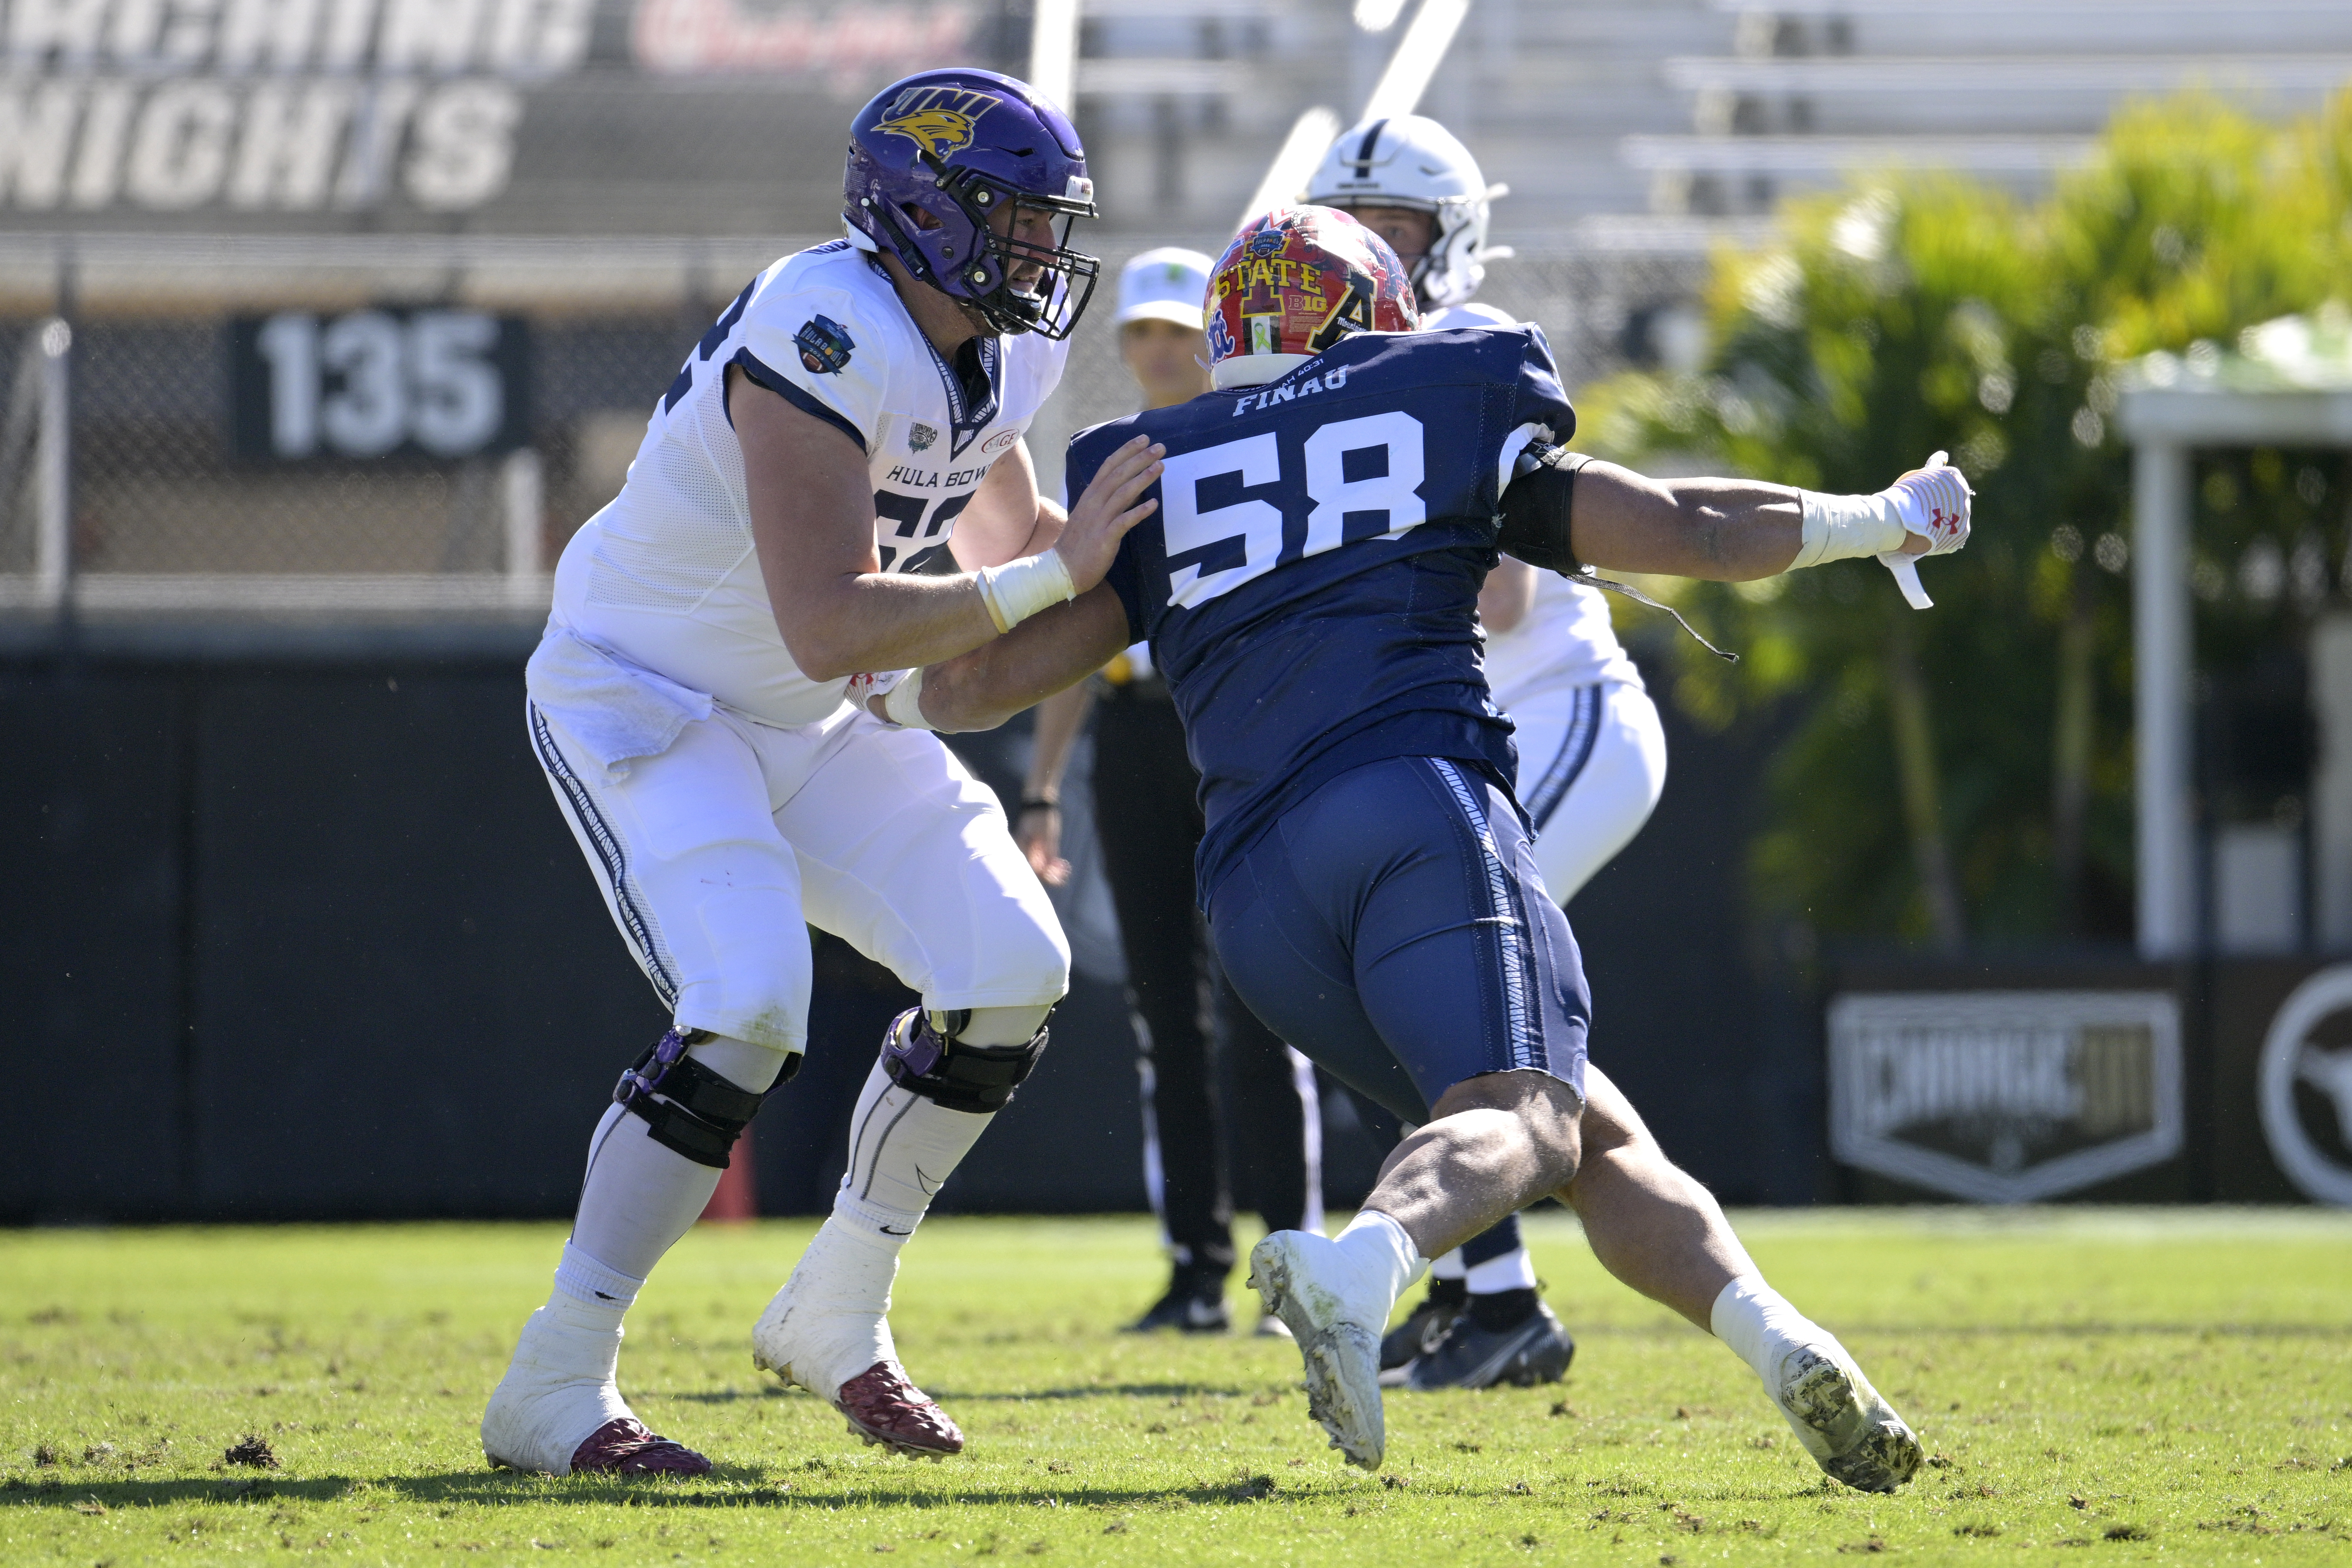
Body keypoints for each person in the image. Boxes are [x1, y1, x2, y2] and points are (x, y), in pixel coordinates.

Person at [876, 206, 1965, 1488]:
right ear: (1371, 317)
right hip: (1410, 810)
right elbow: (1694, 531)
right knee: (1527, 1116)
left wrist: (861, 669)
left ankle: (1786, 1346)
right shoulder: (1439, 399)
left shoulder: (1155, 467)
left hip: (1256, 909)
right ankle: (1368, 1263)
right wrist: (1878, 518)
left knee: (1582, 1136)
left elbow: (974, 688)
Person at [480, 66, 1142, 1475]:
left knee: (1012, 964)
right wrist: (1053, 575)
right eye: (1014, 222)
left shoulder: (999, 356)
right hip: (645, 692)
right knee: (747, 1002)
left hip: (816, 708)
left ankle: (837, 1310)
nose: (1041, 255)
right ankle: (556, 1378)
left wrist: (1142, 597)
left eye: (1046, 225)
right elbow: (837, 613)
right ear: (918, 212)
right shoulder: (821, 323)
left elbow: (981, 646)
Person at [1306, 113, 1666, 1391]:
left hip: (1560, 716)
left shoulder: (1461, 356)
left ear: (1448, 243)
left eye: (1391, 232)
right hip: (1472, 747)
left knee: (1438, 995)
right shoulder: (1332, 375)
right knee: (1398, 998)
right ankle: (1487, 1294)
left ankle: (1495, 1301)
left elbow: (1504, 604)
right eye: (1347, 230)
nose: (1365, 256)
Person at [1018, 248, 1324, 1336]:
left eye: (1176, 329)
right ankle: (1197, 1268)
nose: (1158, 348)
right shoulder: (1106, 467)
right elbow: (1075, 639)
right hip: (1137, 741)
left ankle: (1293, 1264)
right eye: (1140, 332)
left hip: (1233, 732)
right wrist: (1045, 785)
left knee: (1266, 1009)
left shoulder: (1263, 442)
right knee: (1167, 1018)